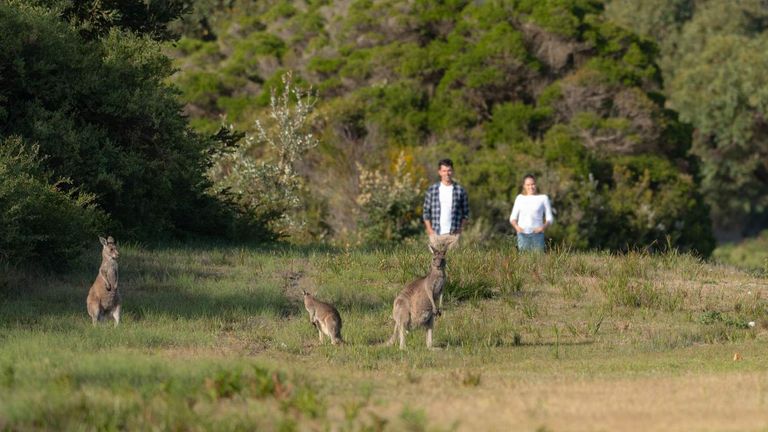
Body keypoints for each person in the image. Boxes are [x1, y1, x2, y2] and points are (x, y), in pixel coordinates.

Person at [423, 159, 470, 246]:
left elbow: (466, 213)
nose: (447, 173)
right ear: (439, 172)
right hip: (435, 234)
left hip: (454, 235)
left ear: (452, 171)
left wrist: (460, 229)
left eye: (449, 170)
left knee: (455, 259)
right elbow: (426, 212)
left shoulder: (460, 190)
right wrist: (429, 230)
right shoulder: (432, 190)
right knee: (435, 260)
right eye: (444, 171)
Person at [509, 174, 553, 252]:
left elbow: (549, 218)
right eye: (528, 185)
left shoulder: (543, 198)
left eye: (533, 184)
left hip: (538, 236)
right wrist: (517, 227)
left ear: (536, 184)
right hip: (522, 235)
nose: (531, 187)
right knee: (523, 261)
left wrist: (542, 227)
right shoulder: (519, 198)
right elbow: (513, 218)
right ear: (524, 186)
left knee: (539, 261)